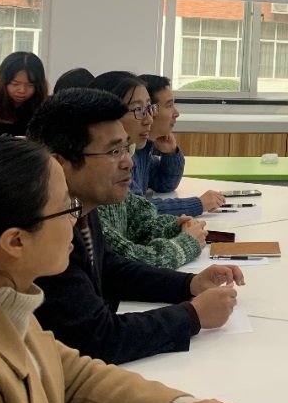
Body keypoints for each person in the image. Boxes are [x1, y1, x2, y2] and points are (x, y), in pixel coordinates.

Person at [0, 136, 264, 403]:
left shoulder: (3, 301)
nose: (75, 220)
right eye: (66, 208)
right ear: (16, 242)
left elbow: (71, 376)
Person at [27, 89, 243, 364]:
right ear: (60, 164)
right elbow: (97, 338)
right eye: (114, 152)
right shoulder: (41, 232)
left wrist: (190, 283)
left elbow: (110, 269)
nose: (128, 162)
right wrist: (192, 315)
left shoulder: (80, 207)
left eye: (126, 149)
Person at [87, 72, 207, 268]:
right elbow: (126, 261)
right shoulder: (90, 192)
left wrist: (175, 227)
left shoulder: (134, 155)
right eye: (138, 110)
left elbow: (142, 219)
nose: (149, 119)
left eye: (150, 108)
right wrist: (187, 241)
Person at [136, 73, 224, 216]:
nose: (176, 113)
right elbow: (136, 210)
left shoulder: (143, 150)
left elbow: (165, 184)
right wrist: (198, 204)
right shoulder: (127, 155)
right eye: (169, 105)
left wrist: (170, 152)